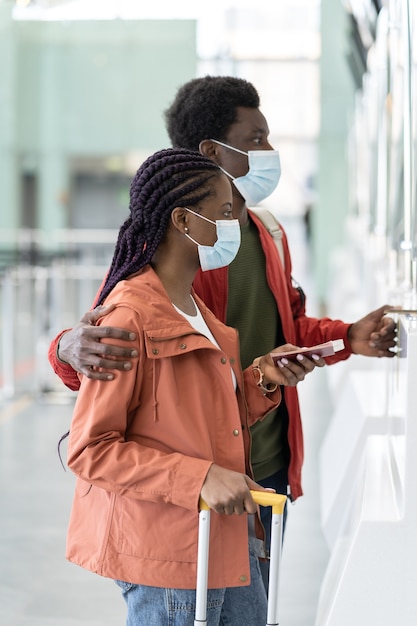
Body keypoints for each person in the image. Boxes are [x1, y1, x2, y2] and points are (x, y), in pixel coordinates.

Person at [49, 76, 396, 591]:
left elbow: (286, 324)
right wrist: (63, 350)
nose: (270, 151)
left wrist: (347, 337)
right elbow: (110, 345)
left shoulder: (267, 234)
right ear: (214, 150)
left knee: (252, 600)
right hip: (200, 480)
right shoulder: (181, 256)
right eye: (256, 139)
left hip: (265, 458)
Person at [64, 147, 324, 626]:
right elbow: (91, 450)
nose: (235, 226)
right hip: (171, 556)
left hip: (224, 539)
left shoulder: (194, 310)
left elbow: (203, 418)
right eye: (225, 213)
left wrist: (263, 378)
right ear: (183, 220)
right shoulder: (129, 318)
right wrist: (200, 477)